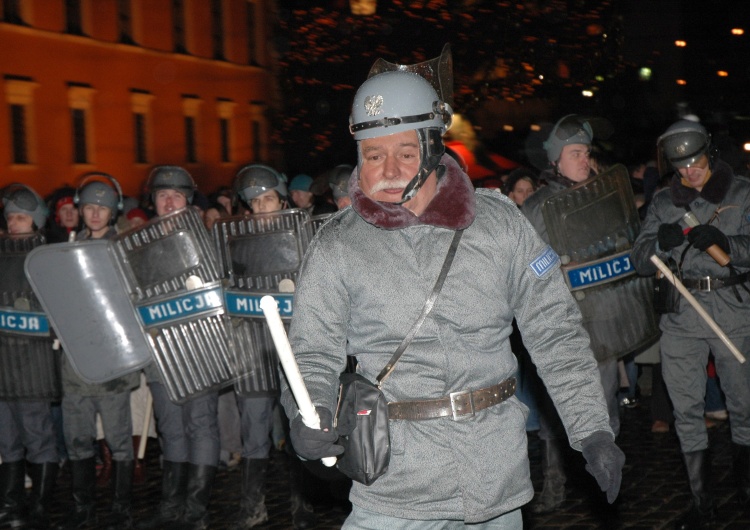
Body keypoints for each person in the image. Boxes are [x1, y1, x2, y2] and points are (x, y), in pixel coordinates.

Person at [282, 66, 624, 528]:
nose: (385, 171)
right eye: (372, 155)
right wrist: (309, 412)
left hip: (494, 476)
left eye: (403, 153)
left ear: (432, 148)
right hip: (395, 482)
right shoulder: (337, 244)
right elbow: (312, 350)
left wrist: (592, 429)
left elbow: (555, 332)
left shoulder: (500, 225)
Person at [631, 119, 750, 529]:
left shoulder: (742, 193)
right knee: (687, 410)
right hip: (682, 315)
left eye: (695, 163)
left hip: (733, 311)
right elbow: (639, 259)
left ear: (710, 155)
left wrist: (726, 243)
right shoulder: (665, 201)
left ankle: (746, 491)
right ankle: (702, 504)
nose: (689, 173)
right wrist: (657, 244)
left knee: (743, 405)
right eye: (681, 167)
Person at [520, 115, 640, 513]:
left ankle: (606, 488)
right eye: (575, 153)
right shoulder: (538, 208)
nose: (584, 160)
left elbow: (622, 246)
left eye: (587, 153)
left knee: (604, 414)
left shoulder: (602, 196)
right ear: (555, 160)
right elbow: (525, 268)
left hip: (606, 323)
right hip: (561, 328)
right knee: (559, 412)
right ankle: (554, 488)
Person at [228, 164, 317, 529]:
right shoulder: (237, 243)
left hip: (294, 349)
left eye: (269, 200)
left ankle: (303, 505)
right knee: (254, 432)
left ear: (282, 201)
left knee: (298, 426)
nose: (263, 208)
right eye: (256, 203)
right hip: (253, 349)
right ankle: (253, 506)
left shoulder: (303, 237)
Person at [135, 166, 220, 530]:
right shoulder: (137, 246)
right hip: (160, 352)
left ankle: (196, 509)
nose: (169, 202)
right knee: (170, 428)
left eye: (177, 195)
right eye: (162, 195)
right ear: (153, 201)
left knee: (200, 425)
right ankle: (172, 506)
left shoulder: (208, 242)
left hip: (200, 350)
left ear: (189, 200)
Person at [55, 175, 140, 530]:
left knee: (120, 442)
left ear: (113, 211)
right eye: (89, 206)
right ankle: (83, 508)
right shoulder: (64, 252)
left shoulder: (122, 251)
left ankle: (121, 509)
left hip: (112, 364)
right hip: (75, 363)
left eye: (102, 208)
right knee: (77, 442)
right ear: (80, 209)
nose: (94, 214)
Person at [0, 184, 59, 530]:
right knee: (7, 439)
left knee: (38, 437)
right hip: (4, 363)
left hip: (33, 363)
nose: (13, 223)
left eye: (21, 217)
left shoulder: (46, 259)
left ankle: (40, 504)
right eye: (9, 217)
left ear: (35, 221)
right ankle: (10, 503)